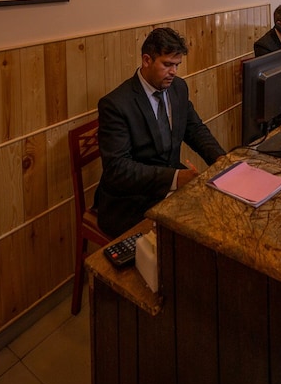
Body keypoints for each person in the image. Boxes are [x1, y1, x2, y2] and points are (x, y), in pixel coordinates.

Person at [94, 27, 225, 237]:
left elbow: (194, 129)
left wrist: (220, 159)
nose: (174, 72)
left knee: (215, 215)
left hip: (168, 184)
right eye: (167, 64)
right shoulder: (116, 105)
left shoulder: (178, 88)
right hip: (132, 200)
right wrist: (175, 177)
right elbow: (117, 169)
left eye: (177, 65)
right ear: (147, 60)